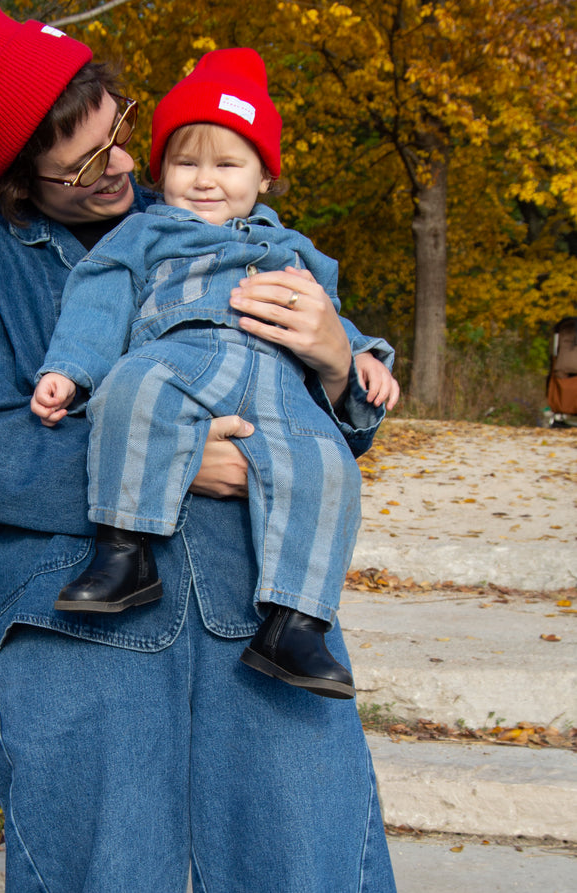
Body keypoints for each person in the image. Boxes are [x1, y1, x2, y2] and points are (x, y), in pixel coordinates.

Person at [0, 0, 399, 893]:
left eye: (121, 126)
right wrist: (167, 466)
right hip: (80, 610)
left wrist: (333, 361)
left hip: (258, 606)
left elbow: (310, 440)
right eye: (84, 160)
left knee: (304, 857)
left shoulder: (219, 226)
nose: (123, 161)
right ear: (20, 178)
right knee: (107, 869)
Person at [30, 48, 395, 699]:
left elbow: (330, 320)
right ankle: (125, 552)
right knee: (130, 393)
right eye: (185, 161)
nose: (205, 180)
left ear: (265, 177)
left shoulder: (295, 250)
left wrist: (360, 356)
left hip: (280, 386)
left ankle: (296, 620)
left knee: (326, 466)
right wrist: (70, 369)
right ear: (160, 168)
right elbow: (99, 299)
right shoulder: (146, 232)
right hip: (180, 358)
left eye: (227, 164)